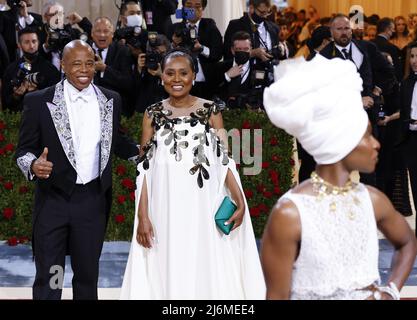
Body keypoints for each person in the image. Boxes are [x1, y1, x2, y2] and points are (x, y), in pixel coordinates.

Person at [261, 55, 417, 300]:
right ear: (340, 141)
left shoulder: (372, 199)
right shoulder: (290, 213)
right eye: (366, 136)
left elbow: (407, 242)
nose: (376, 144)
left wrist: (390, 291)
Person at [120, 49, 266, 299]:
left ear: (194, 75)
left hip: (203, 204)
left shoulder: (211, 111)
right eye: (170, 73)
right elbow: (144, 169)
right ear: (161, 76)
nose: (176, 79)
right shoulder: (152, 114)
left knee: (204, 256)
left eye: (183, 73)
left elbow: (224, 160)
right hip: (165, 206)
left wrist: (240, 200)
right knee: (167, 259)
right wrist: (143, 215)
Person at [15, 40, 139, 300]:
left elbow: (118, 141)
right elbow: (23, 151)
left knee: (86, 276)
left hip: (92, 202)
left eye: (89, 63)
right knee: (52, 275)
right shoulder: (39, 101)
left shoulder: (111, 100)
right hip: (53, 201)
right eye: (76, 63)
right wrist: (34, 164)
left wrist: (150, 154)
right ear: (63, 66)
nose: (84, 69)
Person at [170, 0, 223, 100]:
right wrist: (174, 44)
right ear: (183, 8)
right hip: (181, 82)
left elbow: (218, 54)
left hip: (206, 83)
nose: (193, 9)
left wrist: (201, 48)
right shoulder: (175, 28)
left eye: (197, 6)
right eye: (189, 6)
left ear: (203, 9)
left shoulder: (210, 25)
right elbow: (166, 57)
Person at [2, 27, 60, 112]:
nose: (31, 46)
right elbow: (5, 104)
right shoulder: (11, 70)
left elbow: (57, 101)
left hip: (43, 119)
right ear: (19, 44)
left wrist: (37, 93)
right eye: (26, 42)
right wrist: (16, 95)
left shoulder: (50, 69)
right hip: (18, 121)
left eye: (34, 41)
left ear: (38, 42)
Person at [91, 17, 135, 117]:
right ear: (92, 34)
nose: (102, 35)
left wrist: (105, 69)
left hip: (115, 111)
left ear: (112, 34)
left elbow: (128, 82)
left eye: (106, 31)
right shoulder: (83, 50)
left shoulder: (123, 51)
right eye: (98, 31)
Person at [400, 42, 417, 229]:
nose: (414, 61)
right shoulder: (405, 83)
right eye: (411, 57)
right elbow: (405, 111)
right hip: (411, 141)